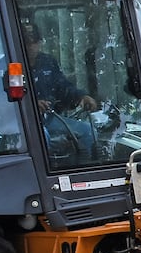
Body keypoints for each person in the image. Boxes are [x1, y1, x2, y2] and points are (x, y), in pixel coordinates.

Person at [22, 17, 97, 157]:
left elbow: (63, 86)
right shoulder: (8, 66)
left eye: (34, 42)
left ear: (39, 42)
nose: (31, 46)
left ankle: (84, 169)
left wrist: (81, 96)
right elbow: (2, 104)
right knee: (42, 137)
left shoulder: (48, 62)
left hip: (50, 118)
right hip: (23, 124)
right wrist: (31, 105)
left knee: (88, 131)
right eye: (27, 42)